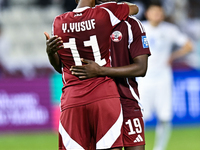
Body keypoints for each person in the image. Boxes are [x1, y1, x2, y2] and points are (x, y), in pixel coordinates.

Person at [44, 0, 139, 150]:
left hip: (73, 99)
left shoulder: (58, 22)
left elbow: (60, 67)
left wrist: (50, 53)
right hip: (104, 95)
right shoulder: (105, 13)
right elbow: (135, 8)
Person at [69, 1, 151, 150]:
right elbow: (70, 68)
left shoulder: (131, 24)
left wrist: (102, 71)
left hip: (126, 101)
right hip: (99, 105)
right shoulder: (81, 27)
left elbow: (141, 68)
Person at [137, 2, 193, 150]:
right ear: (148, 13)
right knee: (138, 116)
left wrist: (173, 56)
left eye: (160, 12)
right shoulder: (139, 28)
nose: (158, 15)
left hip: (163, 78)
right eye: (154, 12)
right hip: (144, 78)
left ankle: (159, 148)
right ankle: (136, 146)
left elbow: (189, 45)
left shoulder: (170, 30)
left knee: (165, 116)